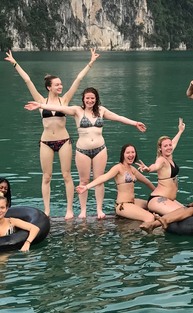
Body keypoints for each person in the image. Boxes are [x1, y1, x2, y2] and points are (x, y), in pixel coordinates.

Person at [26, 88, 146, 219]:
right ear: (83, 99)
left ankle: (99, 209)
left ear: (96, 99)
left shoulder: (101, 110)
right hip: (82, 151)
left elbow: (118, 117)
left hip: (100, 149)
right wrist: (41, 105)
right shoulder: (77, 110)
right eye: (87, 98)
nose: (90, 100)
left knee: (99, 179)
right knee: (84, 180)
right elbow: (59, 108)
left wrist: (135, 123)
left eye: (92, 98)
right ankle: (83, 210)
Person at [6, 48, 99, 216]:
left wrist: (91, 63)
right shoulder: (41, 101)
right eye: (57, 84)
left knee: (66, 175)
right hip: (46, 142)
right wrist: (15, 63)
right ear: (49, 87)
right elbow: (27, 80)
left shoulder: (65, 100)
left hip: (64, 141)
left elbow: (78, 79)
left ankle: (69, 210)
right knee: (46, 177)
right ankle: (47, 210)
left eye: (61, 84)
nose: (61, 86)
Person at [76, 144, 159, 230]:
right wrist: (86, 187)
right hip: (122, 205)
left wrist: (158, 194)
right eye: (128, 153)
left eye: (133, 152)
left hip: (133, 202)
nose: (131, 155)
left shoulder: (132, 169)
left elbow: (147, 182)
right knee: (150, 217)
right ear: (123, 154)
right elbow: (103, 177)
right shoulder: (118, 168)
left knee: (153, 205)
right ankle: (144, 235)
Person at [140, 119, 187, 220]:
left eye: (170, 145)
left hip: (168, 199)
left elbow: (173, 143)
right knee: (184, 214)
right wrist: (148, 169)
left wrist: (180, 131)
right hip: (158, 199)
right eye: (165, 146)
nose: (169, 147)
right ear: (160, 148)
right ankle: (158, 221)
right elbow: (156, 166)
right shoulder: (161, 160)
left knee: (187, 211)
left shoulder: (169, 156)